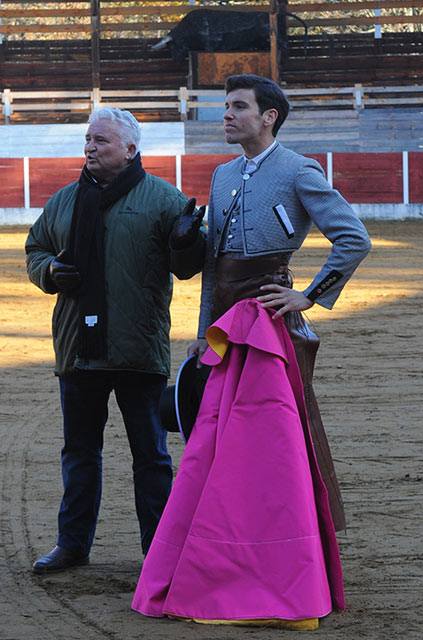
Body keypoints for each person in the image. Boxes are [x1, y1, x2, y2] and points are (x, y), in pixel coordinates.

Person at [132, 75, 371, 628]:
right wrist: (202, 327)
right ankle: (223, 567)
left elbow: (352, 237)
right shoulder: (222, 175)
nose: (228, 115)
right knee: (217, 446)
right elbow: (215, 263)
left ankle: (273, 573)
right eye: (227, 106)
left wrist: (307, 295)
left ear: (269, 117)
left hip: (267, 324)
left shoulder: (298, 170)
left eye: (239, 107)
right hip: (228, 329)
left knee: (269, 450)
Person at [25, 106, 206, 575]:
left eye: (101, 140)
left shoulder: (165, 200)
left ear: (130, 149)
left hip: (138, 350)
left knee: (151, 457)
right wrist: (49, 271)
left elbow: (187, 267)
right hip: (78, 352)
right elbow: (35, 249)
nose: (90, 146)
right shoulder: (64, 201)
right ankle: (73, 545)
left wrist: (188, 242)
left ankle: (160, 550)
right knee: (80, 453)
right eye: (88, 139)